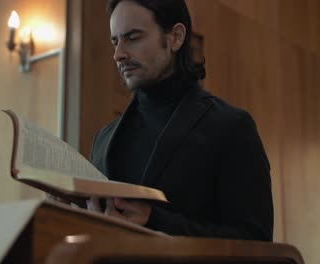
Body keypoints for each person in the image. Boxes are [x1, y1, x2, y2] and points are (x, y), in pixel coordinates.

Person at [87, 0, 274, 241]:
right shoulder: (103, 139)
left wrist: (156, 221)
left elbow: (256, 243)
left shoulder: (232, 127)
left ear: (176, 37)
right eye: (115, 41)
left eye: (133, 37)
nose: (118, 54)